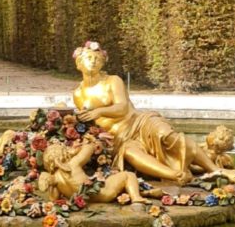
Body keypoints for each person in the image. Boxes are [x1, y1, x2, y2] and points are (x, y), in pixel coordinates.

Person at [72, 40, 218, 185]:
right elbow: (88, 123)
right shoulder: (78, 94)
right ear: (79, 63)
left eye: (97, 59)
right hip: (119, 138)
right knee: (131, 153)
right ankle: (176, 175)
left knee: (165, 134)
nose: (93, 61)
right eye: (89, 58)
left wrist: (99, 112)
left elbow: (122, 107)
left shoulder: (113, 81)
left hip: (138, 122)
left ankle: (215, 169)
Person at [38, 136, 147, 204]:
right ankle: (136, 197)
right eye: (66, 149)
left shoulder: (55, 179)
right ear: (64, 153)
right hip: (103, 194)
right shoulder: (72, 164)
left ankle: (145, 192)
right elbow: (87, 151)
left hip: (82, 201)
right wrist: (88, 143)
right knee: (128, 175)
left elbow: (54, 198)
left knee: (111, 179)